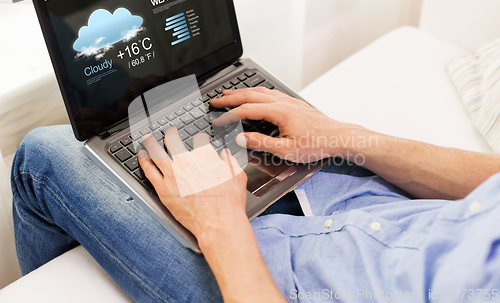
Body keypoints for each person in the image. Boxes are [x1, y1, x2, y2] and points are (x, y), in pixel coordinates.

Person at [11, 87, 500, 302]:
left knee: (43, 156)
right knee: (226, 108)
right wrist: (345, 136)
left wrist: (220, 221)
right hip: (368, 208)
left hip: (263, 285)